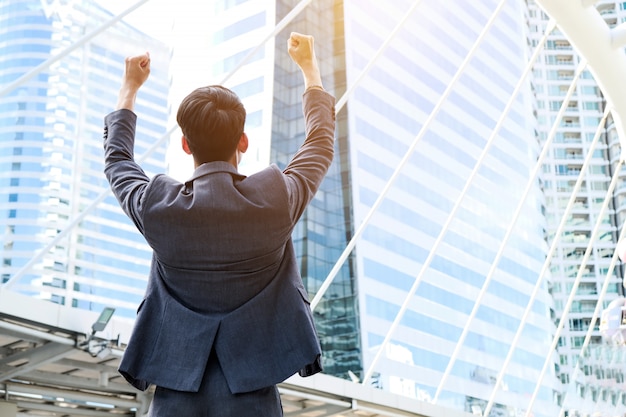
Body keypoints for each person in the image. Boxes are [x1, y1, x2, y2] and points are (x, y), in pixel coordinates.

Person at [103, 32, 335, 416]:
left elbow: (118, 162)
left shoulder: (159, 208)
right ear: (243, 142)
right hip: (254, 393)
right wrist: (310, 68)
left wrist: (129, 88)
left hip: (174, 394)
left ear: (185, 145)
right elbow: (320, 144)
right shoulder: (275, 201)